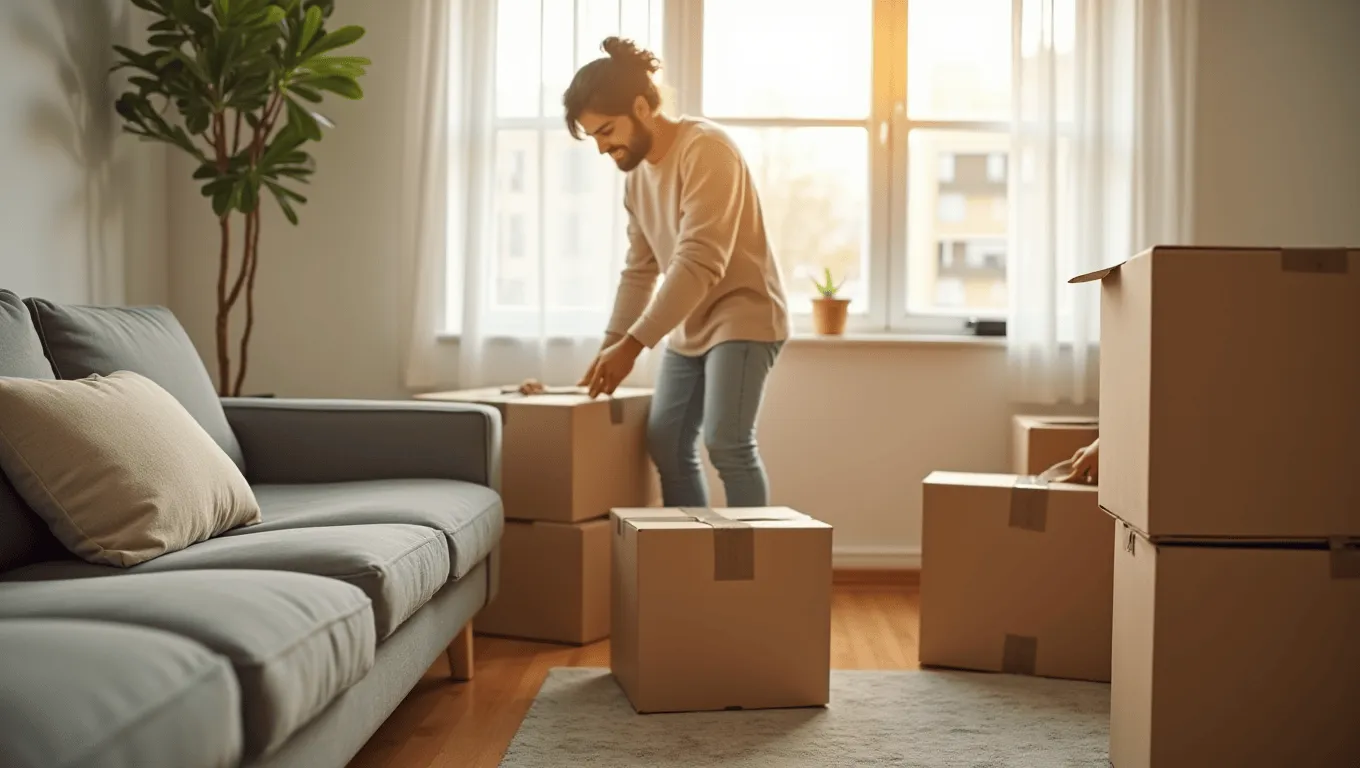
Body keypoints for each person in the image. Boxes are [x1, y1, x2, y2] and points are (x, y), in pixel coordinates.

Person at [564, 37, 791, 508]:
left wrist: (633, 345)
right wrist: (613, 342)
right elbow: (640, 270)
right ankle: (690, 559)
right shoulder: (636, 178)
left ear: (642, 107)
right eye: (595, 138)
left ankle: (753, 573)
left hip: (744, 314)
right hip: (689, 320)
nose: (604, 148)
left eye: (607, 131)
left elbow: (700, 260)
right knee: (666, 443)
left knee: (727, 443)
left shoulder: (706, 149)